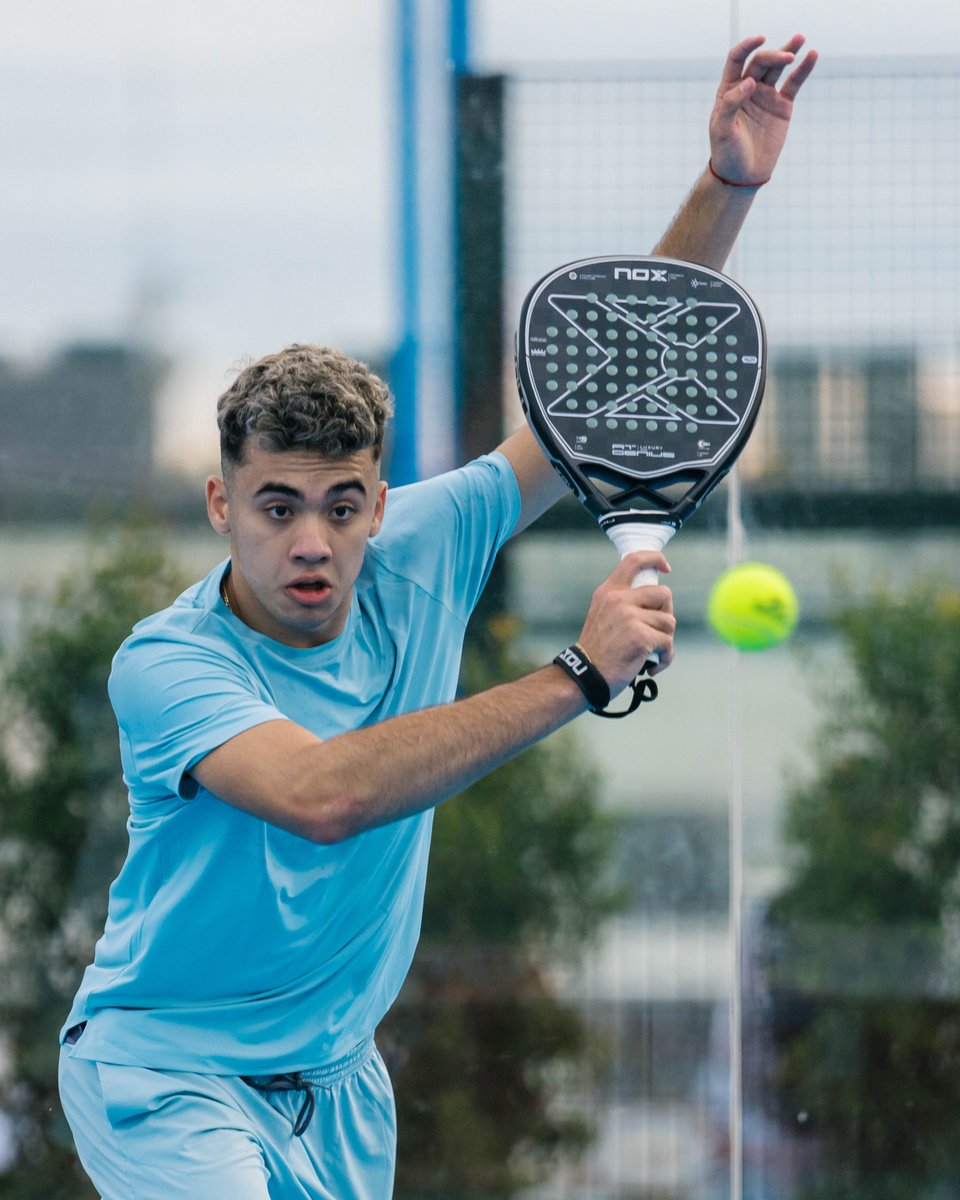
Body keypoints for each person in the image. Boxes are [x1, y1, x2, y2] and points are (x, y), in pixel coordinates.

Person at [58, 35, 816, 1200]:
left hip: (343, 1089)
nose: (311, 541)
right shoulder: (166, 664)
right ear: (221, 503)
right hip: (167, 1075)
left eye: (341, 506)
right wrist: (578, 674)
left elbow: (606, 390)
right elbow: (325, 797)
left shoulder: (427, 538)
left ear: (377, 499)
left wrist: (729, 183)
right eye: (275, 507)